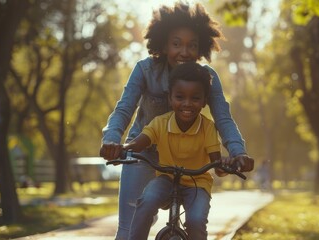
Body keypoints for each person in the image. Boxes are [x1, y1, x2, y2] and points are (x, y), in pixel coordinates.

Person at [100, 2, 254, 239]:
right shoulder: (145, 70)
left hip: (187, 157)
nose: (185, 52)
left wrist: (238, 152)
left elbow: (223, 119)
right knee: (129, 228)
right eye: (176, 44)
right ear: (163, 44)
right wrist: (112, 141)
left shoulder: (207, 77)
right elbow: (123, 111)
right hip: (142, 150)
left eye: (192, 45)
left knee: (195, 221)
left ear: (201, 47)